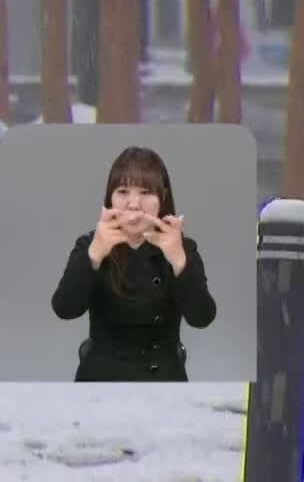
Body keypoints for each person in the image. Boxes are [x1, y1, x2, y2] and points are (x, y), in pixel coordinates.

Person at [49, 146, 216, 382]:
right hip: (100, 377)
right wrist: (94, 255)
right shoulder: (89, 244)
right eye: (123, 191)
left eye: (146, 192)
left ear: (163, 198)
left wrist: (179, 261)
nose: (134, 204)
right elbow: (64, 309)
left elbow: (202, 318)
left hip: (163, 376)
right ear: (110, 198)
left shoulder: (183, 248)